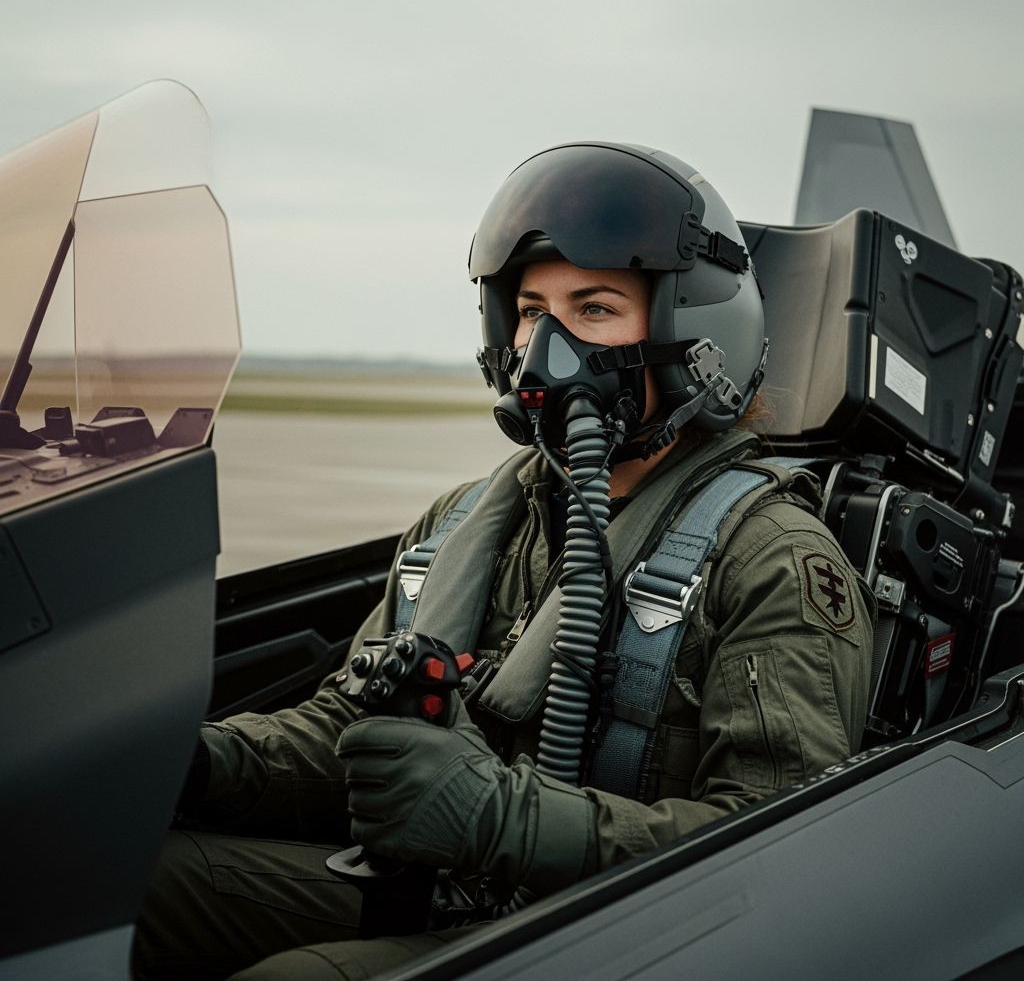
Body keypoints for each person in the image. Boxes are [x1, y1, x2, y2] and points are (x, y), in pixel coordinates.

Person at [133, 142, 875, 981]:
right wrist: (196, 763)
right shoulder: (461, 526)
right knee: (118, 884)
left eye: (593, 309)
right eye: (530, 311)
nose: (546, 347)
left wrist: (504, 820)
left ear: (695, 334)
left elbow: (779, 845)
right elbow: (347, 730)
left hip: (614, 931)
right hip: (446, 892)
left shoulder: (768, 557)